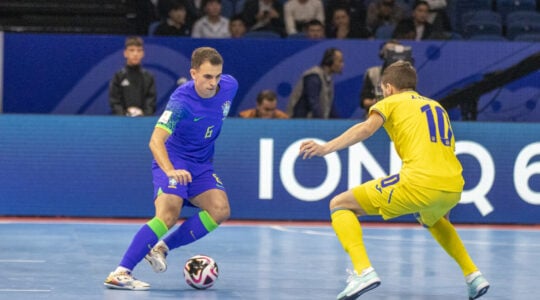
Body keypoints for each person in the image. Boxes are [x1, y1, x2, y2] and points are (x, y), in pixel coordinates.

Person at [299, 61, 490, 300]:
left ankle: (363, 272)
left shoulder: (389, 102)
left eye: (382, 89)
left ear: (388, 87)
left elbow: (366, 129)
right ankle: (474, 275)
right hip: (453, 184)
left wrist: (325, 147)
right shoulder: (436, 106)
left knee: (340, 204)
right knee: (434, 220)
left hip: (419, 182)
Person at [104, 47, 239, 290]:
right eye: (207, 77)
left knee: (220, 209)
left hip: (202, 165)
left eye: (217, 76)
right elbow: (155, 141)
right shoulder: (181, 101)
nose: (213, 83)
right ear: (193, 73)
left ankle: (161, 248)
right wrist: (169, 171)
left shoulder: (230, 86)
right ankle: (121, 272)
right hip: (174, 161)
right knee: (168, 214)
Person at [358, 39, 411, 118]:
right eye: (387, 51)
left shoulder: (407, 75)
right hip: (377, 117)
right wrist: (378, 101)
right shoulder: (372, 73)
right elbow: (364, 101)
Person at [287, 47, 344, 118]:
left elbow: (329, 106)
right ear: (330, 61)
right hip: (300, 122)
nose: (342, 65)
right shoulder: (314, 77)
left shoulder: (327, 79)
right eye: (340, 61)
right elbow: (313, 103)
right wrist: (321, 123)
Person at [109, 36, 156, 117]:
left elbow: (151, 101)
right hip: (121, 122)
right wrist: (124, 113)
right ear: (125, 53)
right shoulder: (118, 76)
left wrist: (143, 114)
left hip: (144, 121)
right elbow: (114, 101)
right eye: (131, 50)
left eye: (139, 50)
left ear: (142, 53)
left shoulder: (149, 77)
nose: (135, 54)